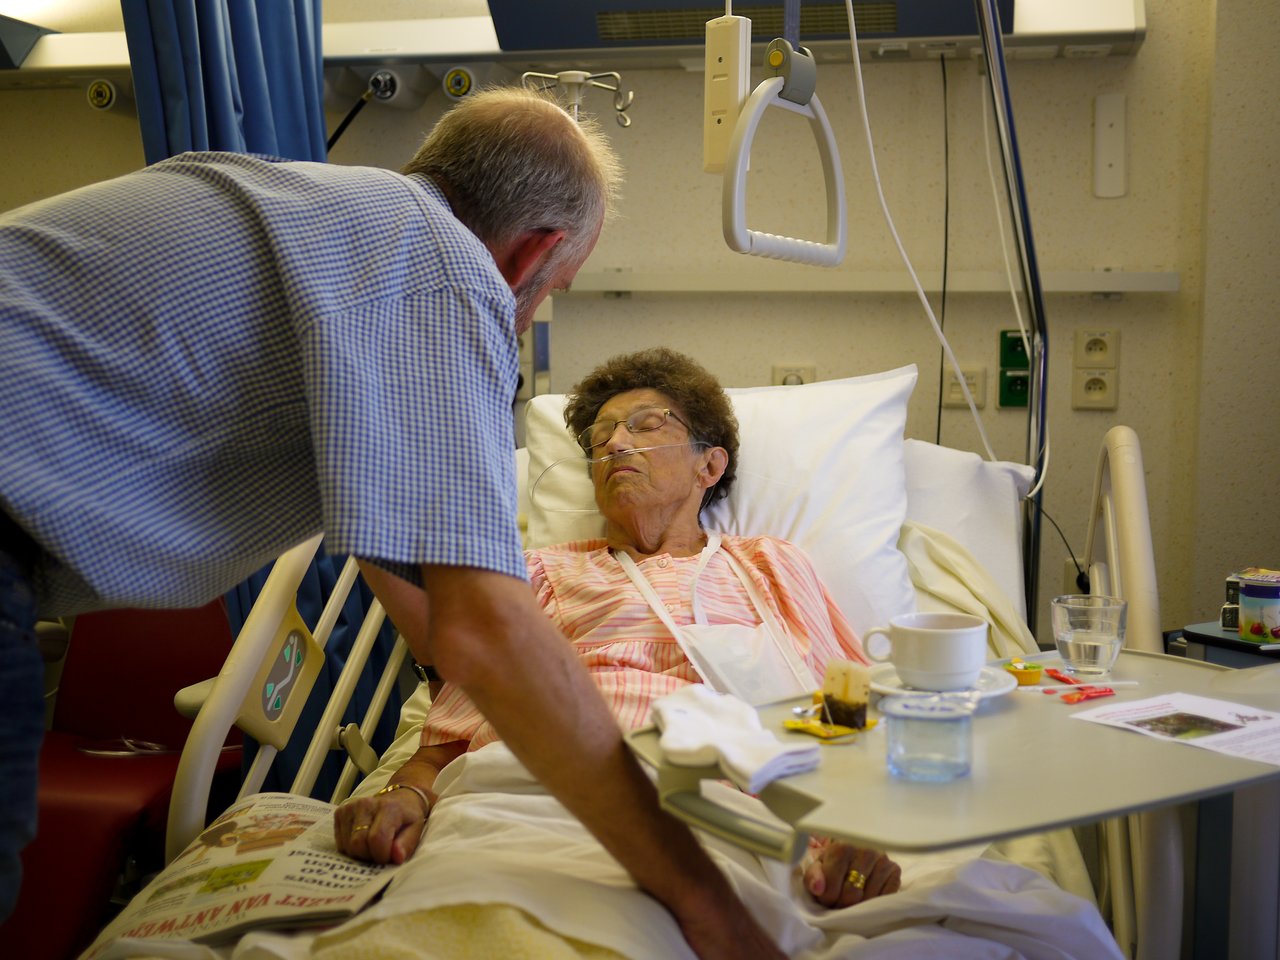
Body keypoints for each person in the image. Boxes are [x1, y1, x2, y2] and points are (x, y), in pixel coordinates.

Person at [0, 90, 782, 959]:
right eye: (551, 293)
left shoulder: (321, 216)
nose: (524, 318)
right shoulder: (441, 270)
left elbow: (458, 631)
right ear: (534, 253)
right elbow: (482, 642)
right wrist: (704, 906)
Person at [332, 347, 906, 957]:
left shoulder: (767, 566)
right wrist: (406, 797)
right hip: (529, 795)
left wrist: (853, 834)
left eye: (646, 426)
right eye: (602, 435)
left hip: (715, 808)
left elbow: (847, 717)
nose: (613, 445)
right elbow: (444, 743)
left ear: (709, 467)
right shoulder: (540, 572)